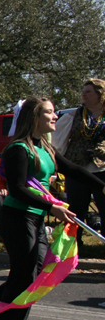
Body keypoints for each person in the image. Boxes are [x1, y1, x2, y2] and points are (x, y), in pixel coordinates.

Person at [0, 97, 105, 320]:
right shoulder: (18, 148)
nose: (55, 117)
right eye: (50, 113)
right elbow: (18, 188)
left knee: (36, 273)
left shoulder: (45, 147)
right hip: (17, 218)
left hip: (36, 218)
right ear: (34, 117)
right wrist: (52, 206)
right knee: (25, 276)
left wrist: (103, 186)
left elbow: (74, 170)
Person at [58, 79, 105, 246]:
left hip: (102, 170)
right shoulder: (75, 115)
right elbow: (57, 142)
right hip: (78, 169)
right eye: (83, 92)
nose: (84, 95)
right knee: (76, 210)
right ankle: (73, 246)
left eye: (88, 92)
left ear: (100, 94)